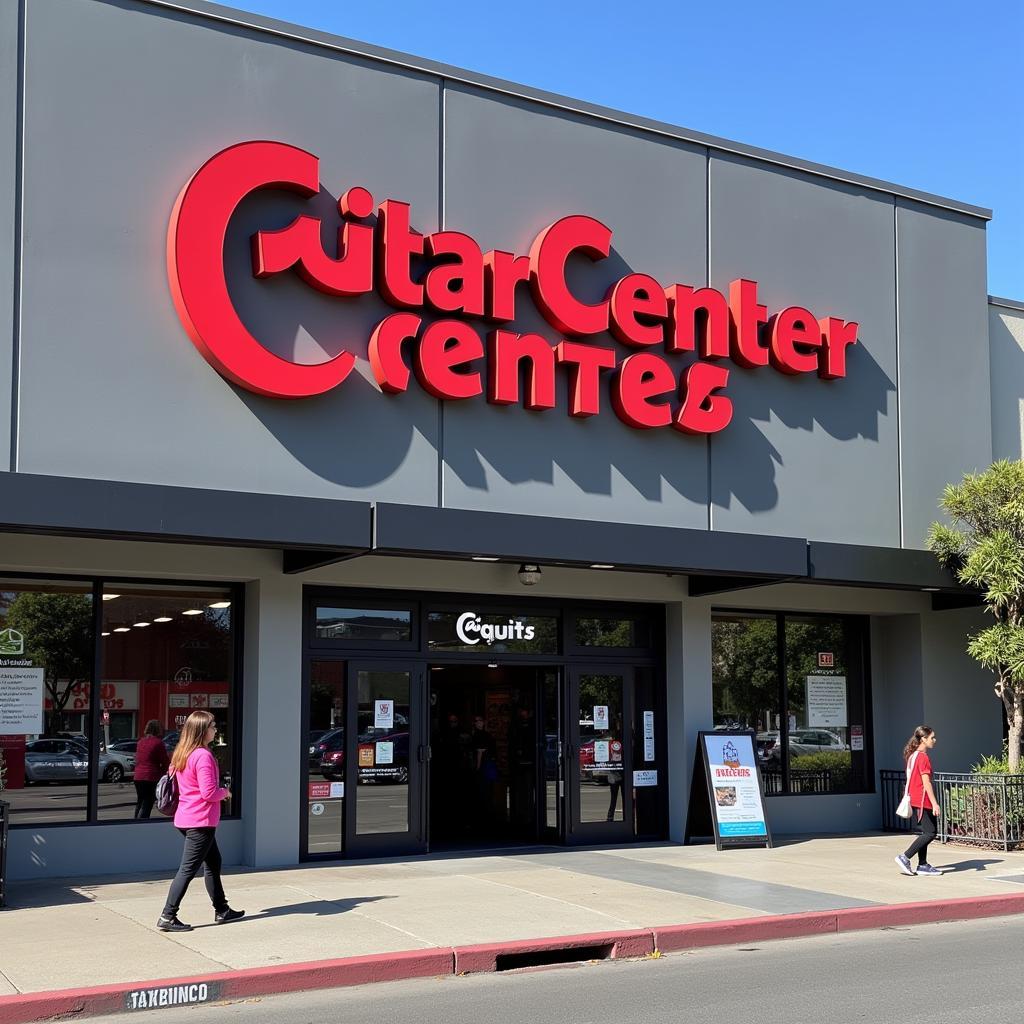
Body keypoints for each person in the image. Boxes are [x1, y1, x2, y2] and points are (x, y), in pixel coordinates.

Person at [158, 710, 244, 932]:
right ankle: (167, 916)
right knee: (187, 870)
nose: (216, 729)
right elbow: (208, 793)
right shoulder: (203, 756)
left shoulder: (182, 753)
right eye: (213, 726)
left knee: (213, 862)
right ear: (202, 730)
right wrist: (225, 792)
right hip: (200, 821)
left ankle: (222, 909)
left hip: (186, 818)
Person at [895, 725, 942, 877]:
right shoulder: (923, 757)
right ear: (924, 739)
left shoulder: (912, 756)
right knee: (931, 833)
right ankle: (905, 856)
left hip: (914, 798)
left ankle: (922, 864)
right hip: (923, 799)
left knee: (925, 832)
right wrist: (935, 803)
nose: (934, 740)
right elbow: (926, 782)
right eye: (932, 737)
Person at [134, 719, 169, 819]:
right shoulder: (158, 743)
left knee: (140, 801)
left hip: (138, 776)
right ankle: (141, 824)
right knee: (148, 802)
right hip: (150, 776)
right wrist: (164, 773)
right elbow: (164, 761)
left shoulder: (141, 742)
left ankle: (134, 822)